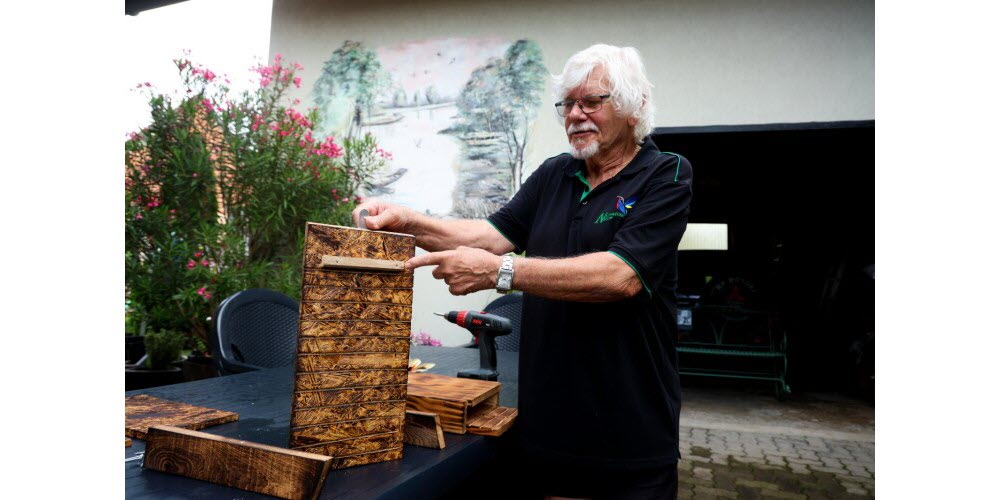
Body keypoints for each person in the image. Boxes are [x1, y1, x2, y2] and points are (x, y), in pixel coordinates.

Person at [353, 44, 692, 500]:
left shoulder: (665, 174)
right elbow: (492, 236)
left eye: (591, 101)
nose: (575, 114)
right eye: (567, 103)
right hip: (549, 424)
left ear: (634, 108)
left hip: (628, 429)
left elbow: (620, 275)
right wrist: (408, 221)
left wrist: (501, 272)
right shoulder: (555, 174)